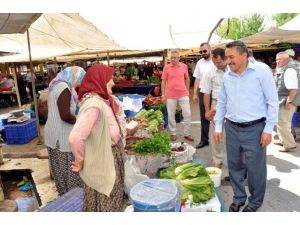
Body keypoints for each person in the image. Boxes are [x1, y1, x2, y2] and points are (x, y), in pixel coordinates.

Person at [214, 41, 279, 212]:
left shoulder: (262, 71)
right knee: (234, 166)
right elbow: (222, 102)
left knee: (255, 169)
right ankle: (239, 197)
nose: (228, 61)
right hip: (232, 127)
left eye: (231, 57)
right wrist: (218, 126)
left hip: (255, 129)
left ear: (244, 55)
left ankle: (255, 202)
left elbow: (272, 102)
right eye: (227, 57)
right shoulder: (228, 75)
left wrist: (268, 130)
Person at [69, 64, 127, 212]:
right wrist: (80, 160)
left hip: (108, 156)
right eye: (110, 79)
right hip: (103, 159)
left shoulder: (100, 100)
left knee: (108, 199)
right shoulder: (93, 105)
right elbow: (75, 138)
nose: (113, 83)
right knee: (105, 200)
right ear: (99, 80)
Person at [44, 66, 86, 196]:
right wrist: (80, 120)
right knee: (69, 172)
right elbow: (65, 115)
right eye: (80, 80)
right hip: (61, 136)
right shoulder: (63, 88)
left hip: (53, 134)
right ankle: (72, 198)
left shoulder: (56, 85)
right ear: (74, 77)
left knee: (60, 171)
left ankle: (65, 198)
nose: (80, 84)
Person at [201, 48, 227, 168]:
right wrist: (207, 110)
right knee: (217, 133)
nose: (216, 65)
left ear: (225, 59)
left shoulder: (233, 69)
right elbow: (206, 93)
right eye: (214, 62)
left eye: (219, 62)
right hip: (217, 103)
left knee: (235, 132)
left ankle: (237, 161)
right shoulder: (209, 72)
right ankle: (217, 160)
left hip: (234, 103)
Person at [161, 50, 194, 142]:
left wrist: (187, 90)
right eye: (172, 57)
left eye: (175, 57)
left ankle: (187, 133)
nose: (173, 59)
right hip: (170, 95)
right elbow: (163, 81)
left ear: (179, 58)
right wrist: (163, 94)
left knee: (187, 114)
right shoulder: (167, 67)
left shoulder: (184, 66)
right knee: (171, 115)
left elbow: (187, 78)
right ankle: (173, 133)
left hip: (183, 94)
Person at [274, 51, 299, 152]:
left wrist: (289, 101)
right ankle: (283, 140)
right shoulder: (285, 68)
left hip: (288, 100)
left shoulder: (289, 70)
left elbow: (293, 89)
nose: (277, 61)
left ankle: (290, 145)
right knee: (282, 122)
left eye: (280, 59)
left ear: (287, 59)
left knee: (283, 122)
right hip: (285, 99)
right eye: (277, 59)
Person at [193, 42, 215, 149]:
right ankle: (204, 139)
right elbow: (197, 78)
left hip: (215, 92)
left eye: (205, 51)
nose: (203, 53)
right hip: (203, 92)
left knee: (217, 116)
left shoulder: (216, 60)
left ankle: (218, 138)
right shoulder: (199, 63)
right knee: (204, 117)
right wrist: (195, 94)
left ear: (210, 50)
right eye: (201, 51)